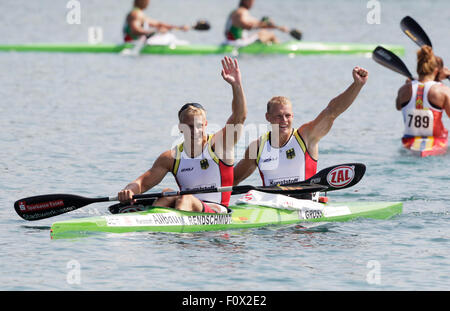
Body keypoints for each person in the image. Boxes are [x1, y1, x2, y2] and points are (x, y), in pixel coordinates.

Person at [118, 56, 247, 213]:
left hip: (218, 211)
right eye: (190, 127)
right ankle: (150, 226)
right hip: (187, 205)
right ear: (180, 128)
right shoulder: (170, 158)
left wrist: (236, 85)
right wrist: (129, 191)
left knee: (186, 198)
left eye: (199, 126)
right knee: (166, 193)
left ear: (206, 125)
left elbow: (239, 116)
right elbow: (142, 183)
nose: (195, 131)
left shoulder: (219, 145)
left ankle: (177, 233)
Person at [233, 67, 369, 196]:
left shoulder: (306, 136)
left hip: (305, 202)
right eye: (278, 116)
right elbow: (234, 179)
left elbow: (332, 111)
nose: (284, 120)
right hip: (271, 204)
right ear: (268, 117)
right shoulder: (257, 147)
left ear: (293, 116)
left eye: (288, 115)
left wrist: (357, 85)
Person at [395, 46, 450, 155]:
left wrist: (409, 83)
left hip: (409, 143)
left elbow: (398, 106)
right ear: (436, 70)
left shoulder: (403, 89)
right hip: (437, 142)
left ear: (417, 70)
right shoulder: (442, 91)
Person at [224, 0, 289, 46]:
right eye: (252, 1)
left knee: (262, 32)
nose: (253, 3)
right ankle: (279, 47)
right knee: (271, 34)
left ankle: (268, 44)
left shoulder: (235, 11)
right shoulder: (242, 12)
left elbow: (256, 22)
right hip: (238, 43)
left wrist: (276, 26)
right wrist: (277, 27)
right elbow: (248, 26)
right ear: (245, 1)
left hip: (229, 41)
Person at [123, 0, 189, 43]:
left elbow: (159, 24)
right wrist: (156, 31)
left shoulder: (138, 13)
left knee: (166, 35)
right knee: (169, 37)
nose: (149, 3)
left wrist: (180, 27)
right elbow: (135, 31)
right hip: (134, 43)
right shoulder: (136, 14)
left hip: (138, 42)